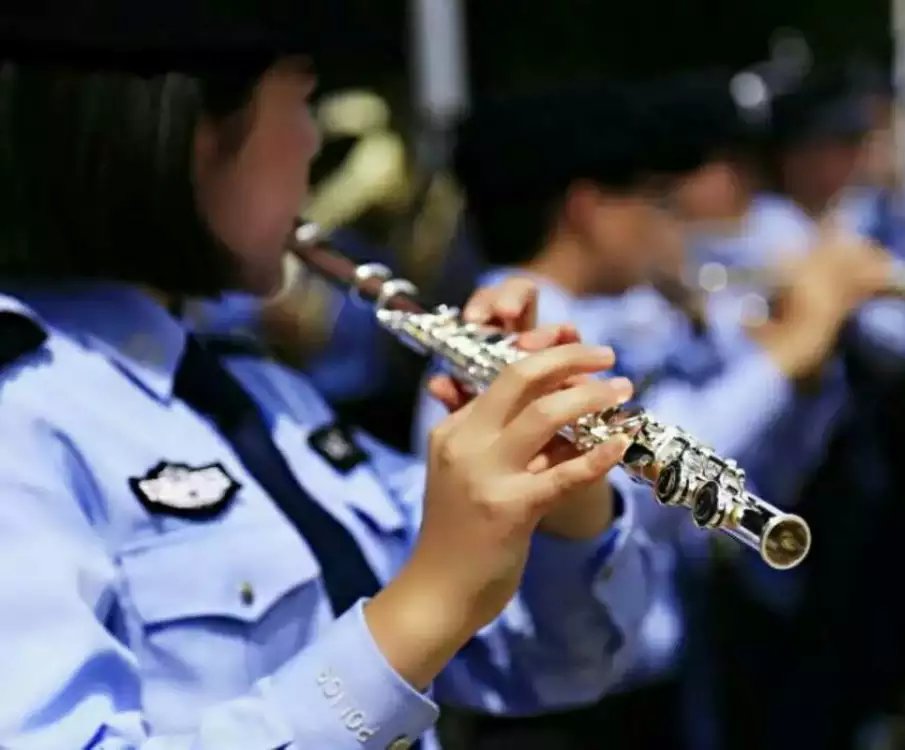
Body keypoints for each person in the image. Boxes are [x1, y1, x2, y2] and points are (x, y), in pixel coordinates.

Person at [0, 4, 660, 748]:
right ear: (189, 133)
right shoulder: (20, 417)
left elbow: (555, 665)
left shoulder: (258, 391)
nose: (313, 144)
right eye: (301, 102)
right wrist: (426, 605)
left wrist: (557, 493)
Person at [412, 73, 900, 750]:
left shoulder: (606, 324)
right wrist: (787, 351)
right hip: (556, 721)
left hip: (644, 688)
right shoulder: (510, 342)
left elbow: (741, 486)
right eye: (656, 202)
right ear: (587, 209)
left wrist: (796, 366)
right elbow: (640, 490)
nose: (672, 226)